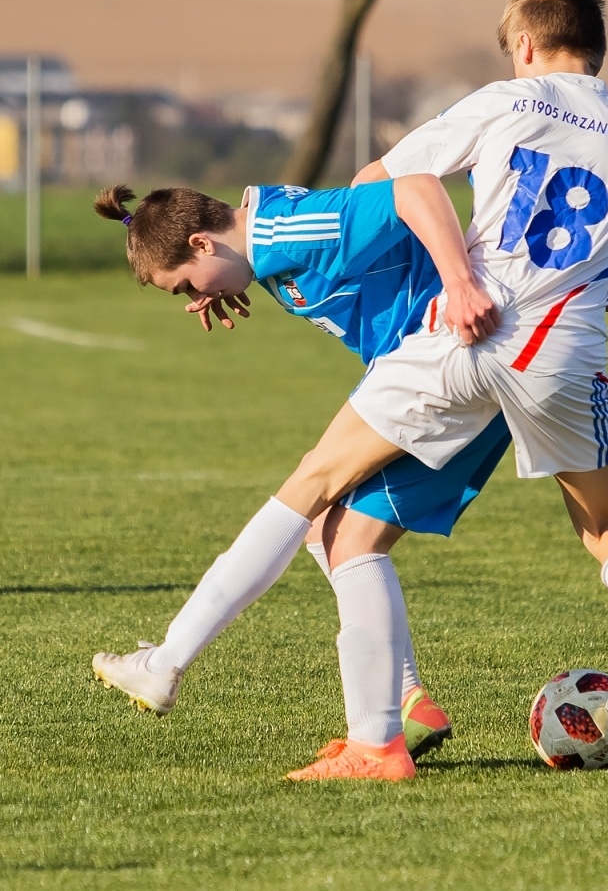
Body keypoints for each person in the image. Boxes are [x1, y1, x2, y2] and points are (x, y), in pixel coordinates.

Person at [105, 0, 608, 783]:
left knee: (315, 491)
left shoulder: (509, 100)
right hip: (570, 347)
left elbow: (398, 181)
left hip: (466, 333)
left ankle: (189, 668)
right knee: (604, 529)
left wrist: (461, 282)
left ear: (526, 46)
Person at [89, 176, 514, 761]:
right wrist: (241, 276)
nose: (191, 297)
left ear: (203, 243)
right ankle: (404, 707)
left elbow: (412, 190)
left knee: (309, 488)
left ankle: (167, 663)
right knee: (337, 535)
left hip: (441, 351)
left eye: (184, 283)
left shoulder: (286, 229)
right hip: (451, 369)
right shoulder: (260, 245)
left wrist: (460, 284)